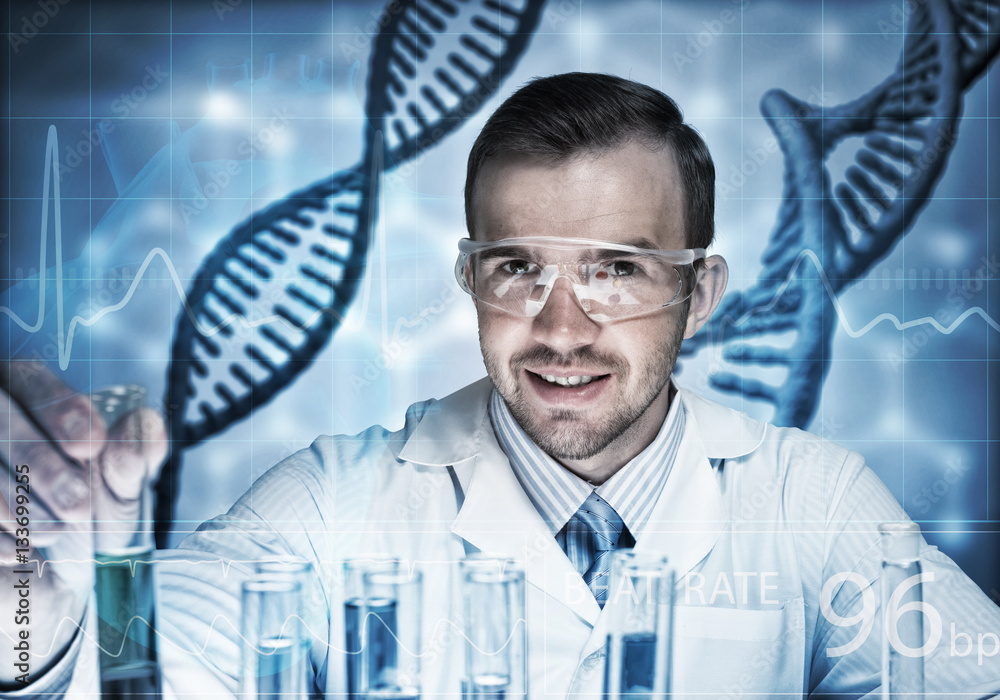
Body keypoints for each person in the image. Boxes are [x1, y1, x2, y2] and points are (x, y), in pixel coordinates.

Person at [3, 72, 999, 698]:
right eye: (518, 268)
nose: (562, 329)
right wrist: (34, 613)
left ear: (699, 294)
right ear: (469, 280)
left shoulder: (812, 501)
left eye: (616, 269)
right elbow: (147, 668)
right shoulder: (335, 498)